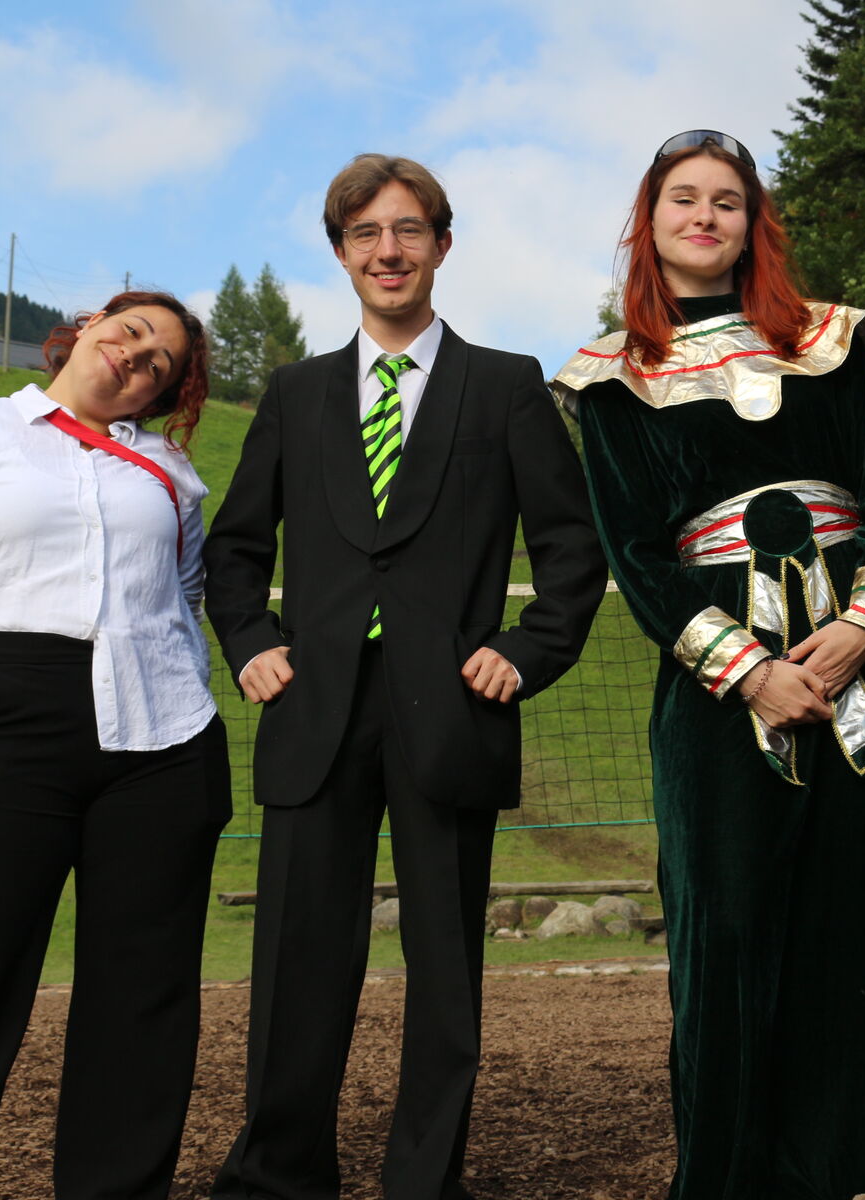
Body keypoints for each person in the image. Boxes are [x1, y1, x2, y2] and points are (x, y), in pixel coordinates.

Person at [550, 131, 865, 1199]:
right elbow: (637, 555)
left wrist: (862, 628)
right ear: (649, 222)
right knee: (731, 925)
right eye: (683, 198)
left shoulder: (828, 343)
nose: (705, 216)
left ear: (753, 225)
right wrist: (749, 670)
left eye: (727, 201)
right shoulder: (615, 378)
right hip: (718, 692)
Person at [204, 154, 607, 1200]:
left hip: (455, 711)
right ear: (342, 253)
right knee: (296, 965)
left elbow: (573, 551)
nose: (389, 251)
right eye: (366, 234)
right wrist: (249, 642)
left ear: (442, 243)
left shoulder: (507, 385)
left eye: (408, 230)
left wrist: (524, 651)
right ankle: (279, 1179)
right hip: (314, 711)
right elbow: (234, 550)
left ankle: (425, 1184)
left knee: (445, 974)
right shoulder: (295, 394)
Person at [0, 291, 230, 1199]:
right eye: (131, 332)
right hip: (9, 721)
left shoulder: (170, 473)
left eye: (160, 364)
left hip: (163, 740)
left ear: (160, 394)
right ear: (89, 325)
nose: (137, 357)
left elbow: (184, 598)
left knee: (141, 998)